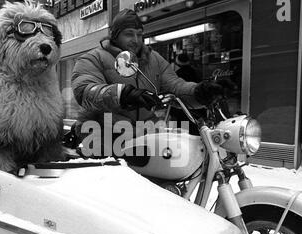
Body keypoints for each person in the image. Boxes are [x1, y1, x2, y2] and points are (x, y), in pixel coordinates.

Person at [71, 9, 224, 155]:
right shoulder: (93, 58)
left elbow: (176, 86)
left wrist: (199, 92)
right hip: (104, 138)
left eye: (139, 34)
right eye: (129, 34)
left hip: (145, 139)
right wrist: (121, 94)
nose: (136, 40)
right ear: (114, 35)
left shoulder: (154, 59)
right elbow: (84, 90)